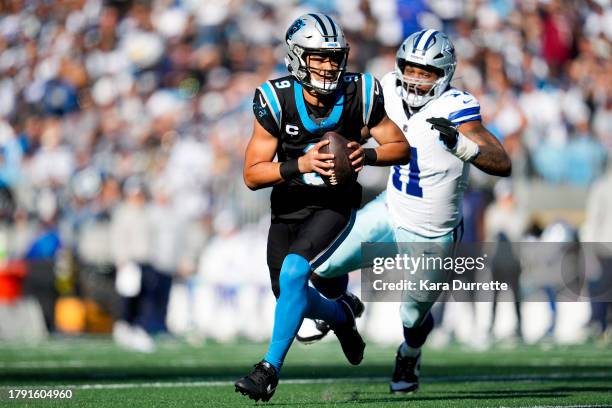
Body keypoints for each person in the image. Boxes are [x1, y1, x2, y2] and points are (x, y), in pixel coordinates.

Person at [313, 29, 511, 394]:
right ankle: (345, 310)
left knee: (411, 317)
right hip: (390, 210)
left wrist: (463, 145)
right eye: (410, 68)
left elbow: (502, 162)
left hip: (432, 233)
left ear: (445, 74)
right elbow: (358, 123)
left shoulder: (457, 107)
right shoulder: (387, 87)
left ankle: (410, 352)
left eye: (427, 72)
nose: (416, 79)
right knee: (322, 270)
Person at [234, 13, 410, 402]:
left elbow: (401, 148)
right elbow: (252, 174)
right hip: (288, 206)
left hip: (334, 204)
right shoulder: (276, 98)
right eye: (319, 57)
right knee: (289, 293)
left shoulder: (361, 92)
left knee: (297, 271)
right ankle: (342, 316)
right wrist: (301, 163)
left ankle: (267, 371)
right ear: (297, 57)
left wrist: (367, 154)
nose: (329, 65)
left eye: (334, 56)